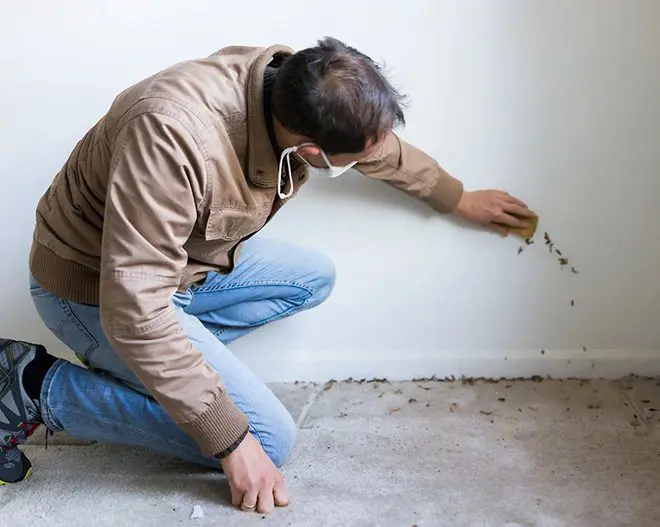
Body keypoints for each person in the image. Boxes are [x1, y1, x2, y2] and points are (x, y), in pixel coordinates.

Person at [0, 38, 536, 511]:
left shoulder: (302, 84)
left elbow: (375, 147)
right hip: (97, 290)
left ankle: (155, 375)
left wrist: (456, 197)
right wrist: (232, 441)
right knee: (266, 439)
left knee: (310, 277)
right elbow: (136, 308)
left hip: (184, 271)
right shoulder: (170, 135)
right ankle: (30, 386)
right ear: (308, 150)